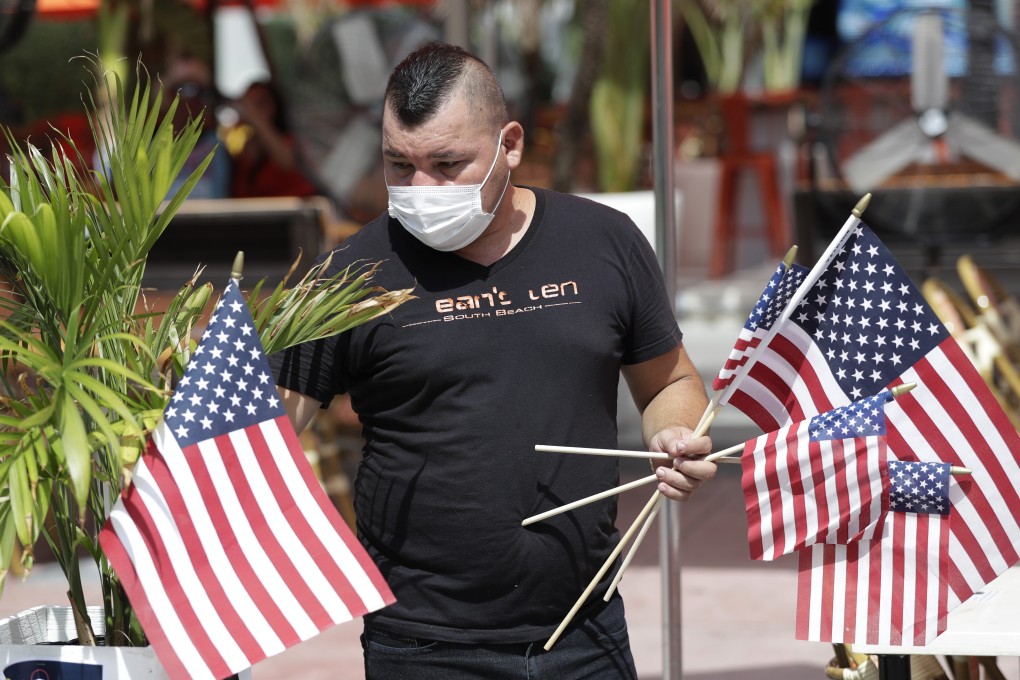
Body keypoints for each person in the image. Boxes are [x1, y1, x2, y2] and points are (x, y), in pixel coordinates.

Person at [270, 42, 716, 680]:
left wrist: (676, 434)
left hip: (586, 634)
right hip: (422, 646)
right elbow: (263, 431)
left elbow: (668, 380)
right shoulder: (352, 273)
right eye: (400, 164)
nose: (421, 189)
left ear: (509, 144)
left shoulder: (604, 240)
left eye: (448, 164)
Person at [227, 79, 318, 198]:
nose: (252, 111)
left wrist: (254, 119)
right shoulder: (243, 152)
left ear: (275, 106)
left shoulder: (291, 142)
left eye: (260, 103)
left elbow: (287, 162)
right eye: (247, 104)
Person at [162, 55, 231, 200]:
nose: (193, 98)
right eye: (186, 89)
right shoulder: (151, 147)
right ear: (169, 96)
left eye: (201, 91)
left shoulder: (217, 148)